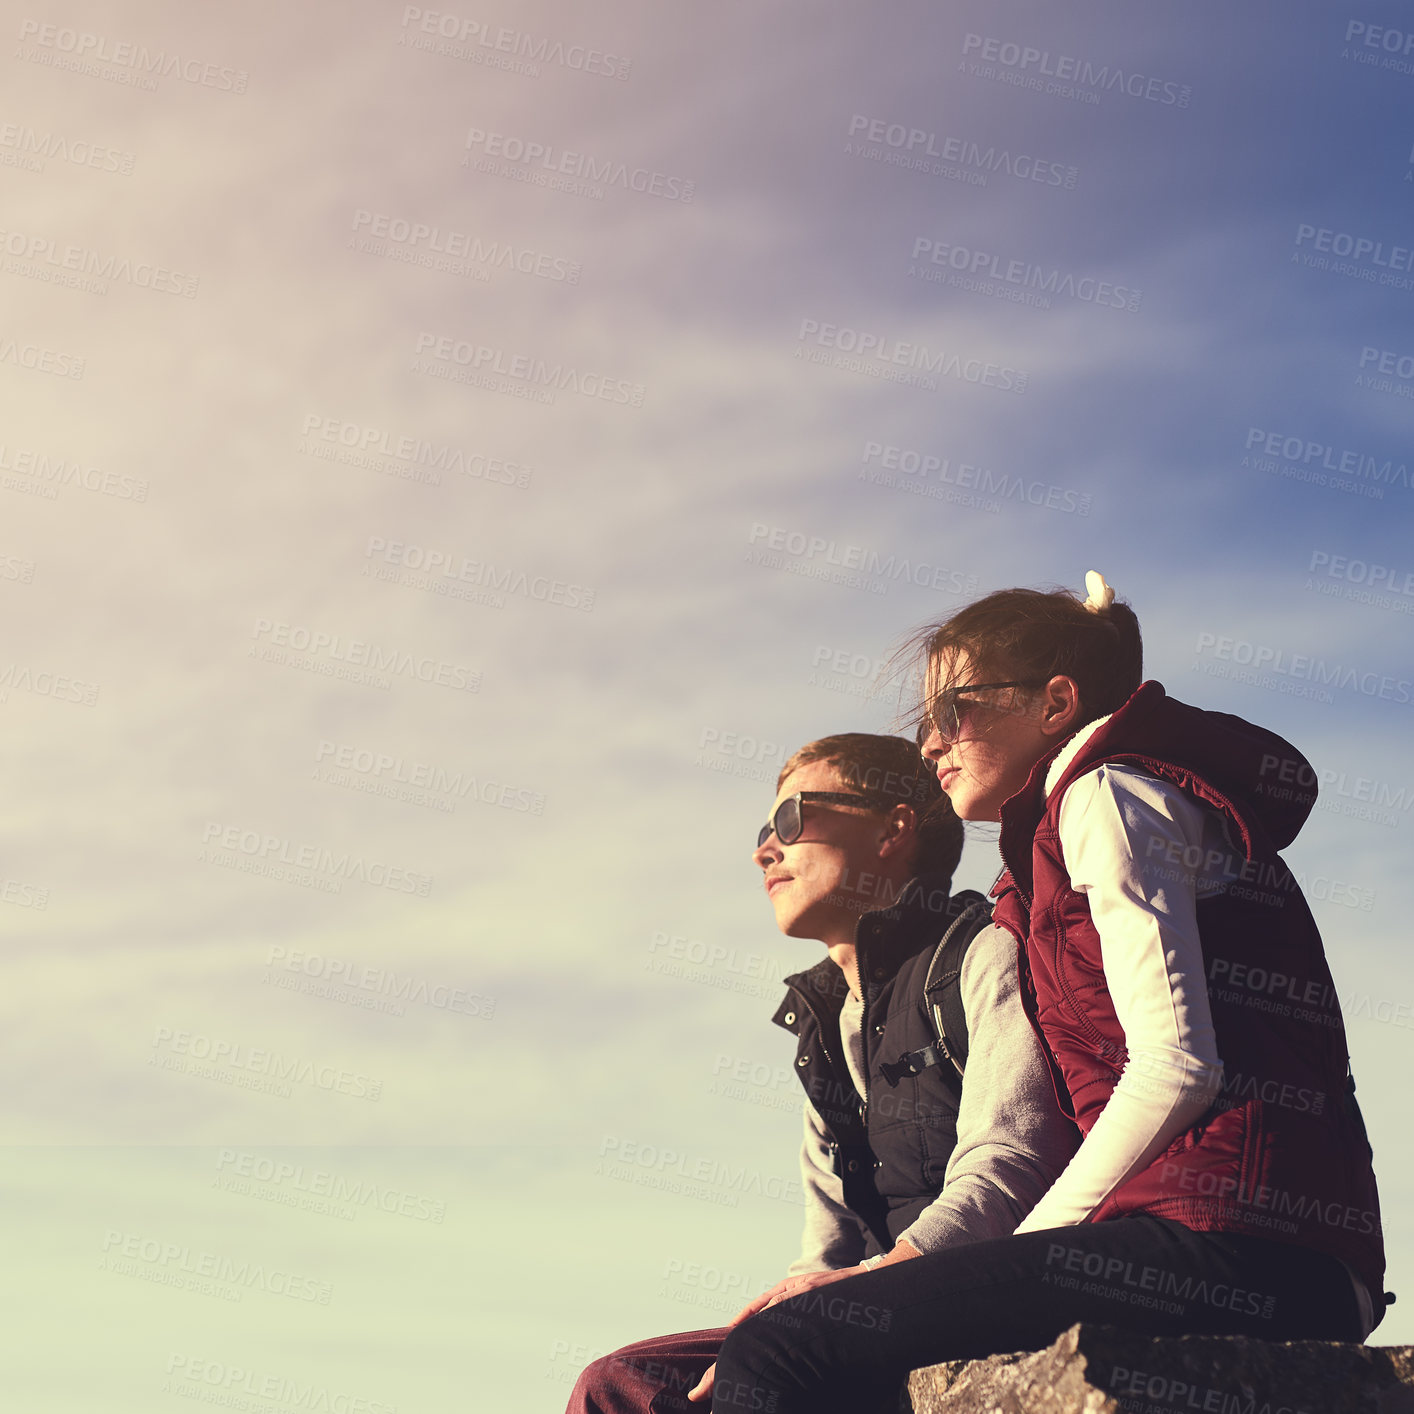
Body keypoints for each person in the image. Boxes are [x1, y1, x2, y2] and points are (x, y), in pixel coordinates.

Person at [708, 573, 1386, 1414]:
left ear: (1055, 702)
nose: (929, 745)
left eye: (950, 712)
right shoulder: (1047, 852)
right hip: (1217, 1239)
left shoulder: (1111, 795)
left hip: (1252, 1247)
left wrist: (1013, 1254)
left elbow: (1176, 1068)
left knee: (787, 1349)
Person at [566, 732, 1078, 1414]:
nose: (764, 851)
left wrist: (865, 1285)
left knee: (764, 1353)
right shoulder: (823, 1021)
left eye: (790, 819)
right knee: (620, 1383)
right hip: (858, 1305)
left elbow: (1010, 1164)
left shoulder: (978, 956)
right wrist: (795, 1303)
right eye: (763, 830)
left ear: (893, 829)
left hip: (969, 1282)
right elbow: (826, 1247)